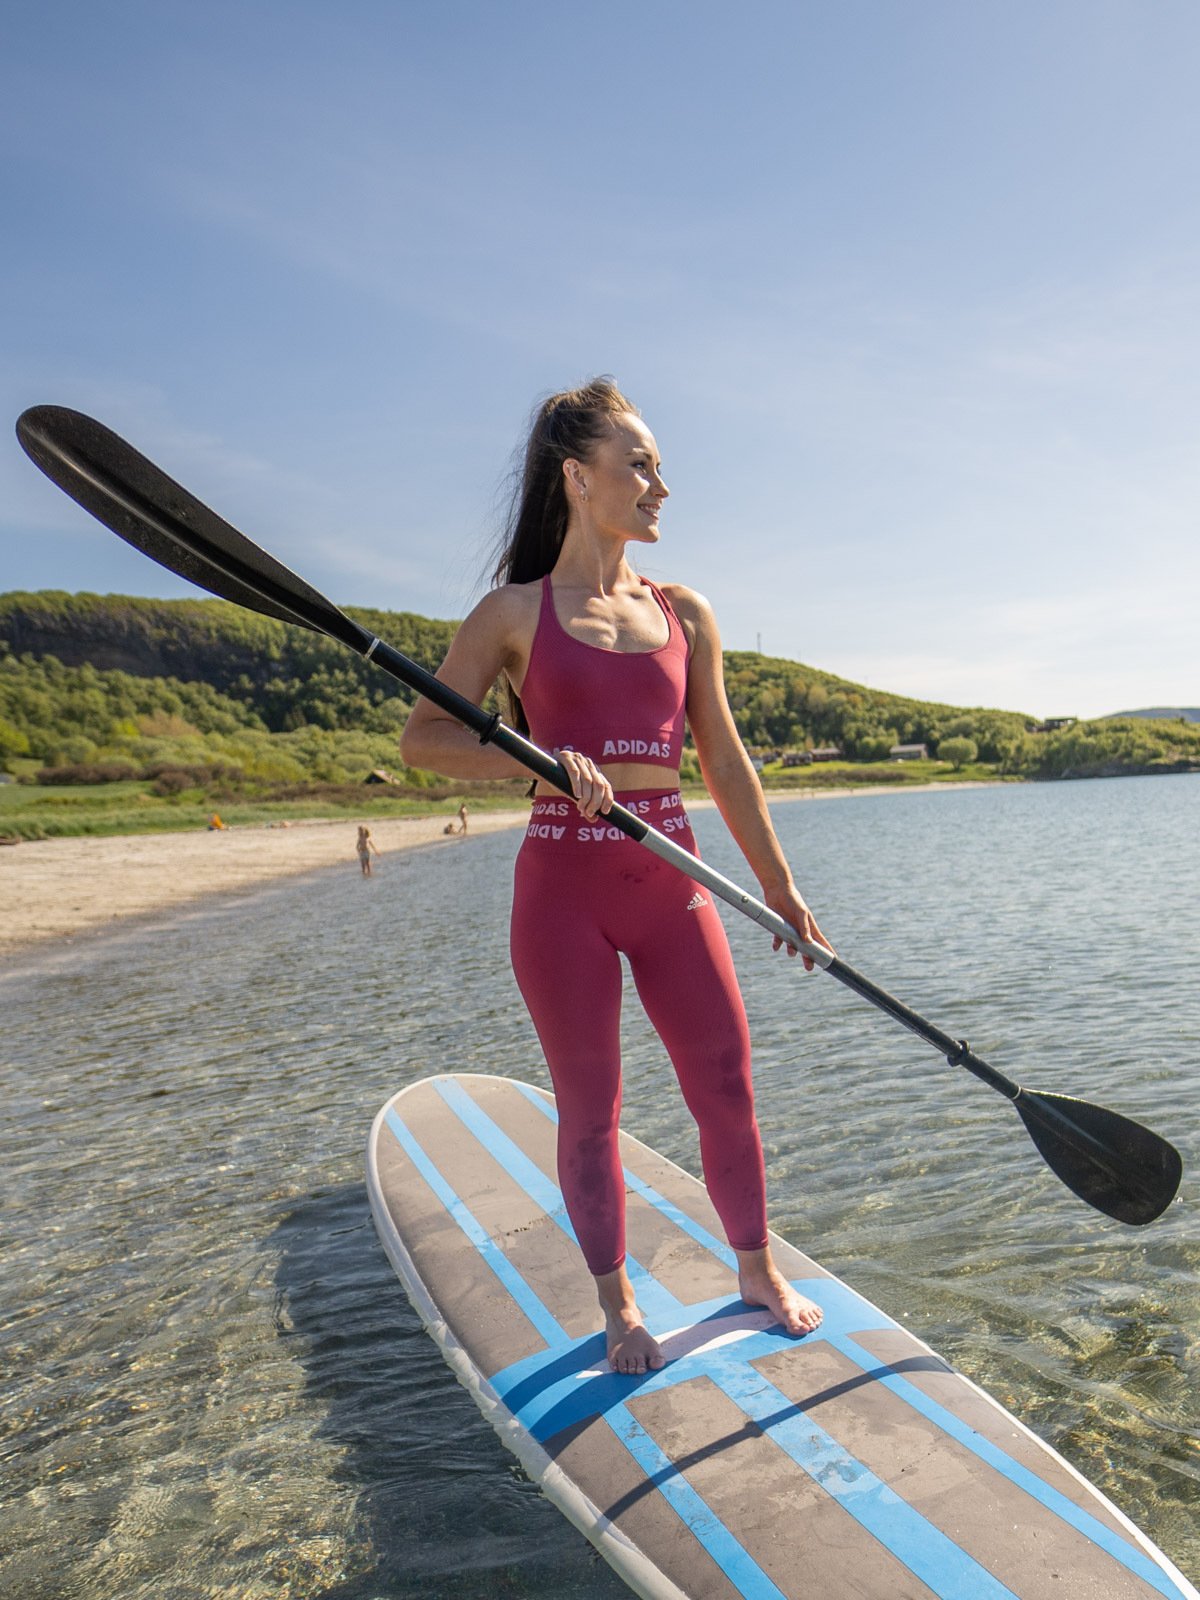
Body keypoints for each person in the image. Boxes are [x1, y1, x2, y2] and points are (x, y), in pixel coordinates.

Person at [400, 379, 832, 1375]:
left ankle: (757, 1270)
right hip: (564, 894)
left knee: (725, 1080)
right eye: (638, 464)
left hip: (672, 879)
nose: (659, 486)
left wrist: (778, 885)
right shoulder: (512, 612)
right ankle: (618, 1302)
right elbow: (425, 741)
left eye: (659, 467)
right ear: (576, 477)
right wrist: (527, 758)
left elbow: (722, 760)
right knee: (591, 1106)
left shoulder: (684, 612)